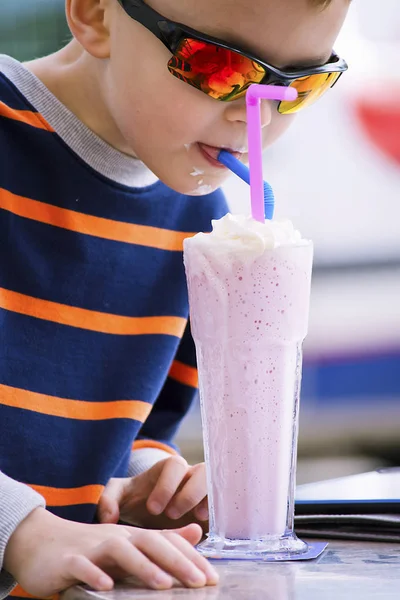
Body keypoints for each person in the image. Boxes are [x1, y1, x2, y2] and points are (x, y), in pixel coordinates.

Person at [0, 0, 350, 597]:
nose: (255, 118)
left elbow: (134, 427)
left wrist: (149, 483)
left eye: (297, 86)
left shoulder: (202, 226)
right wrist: (22, 531)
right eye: (219, 67)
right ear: (95, 16)